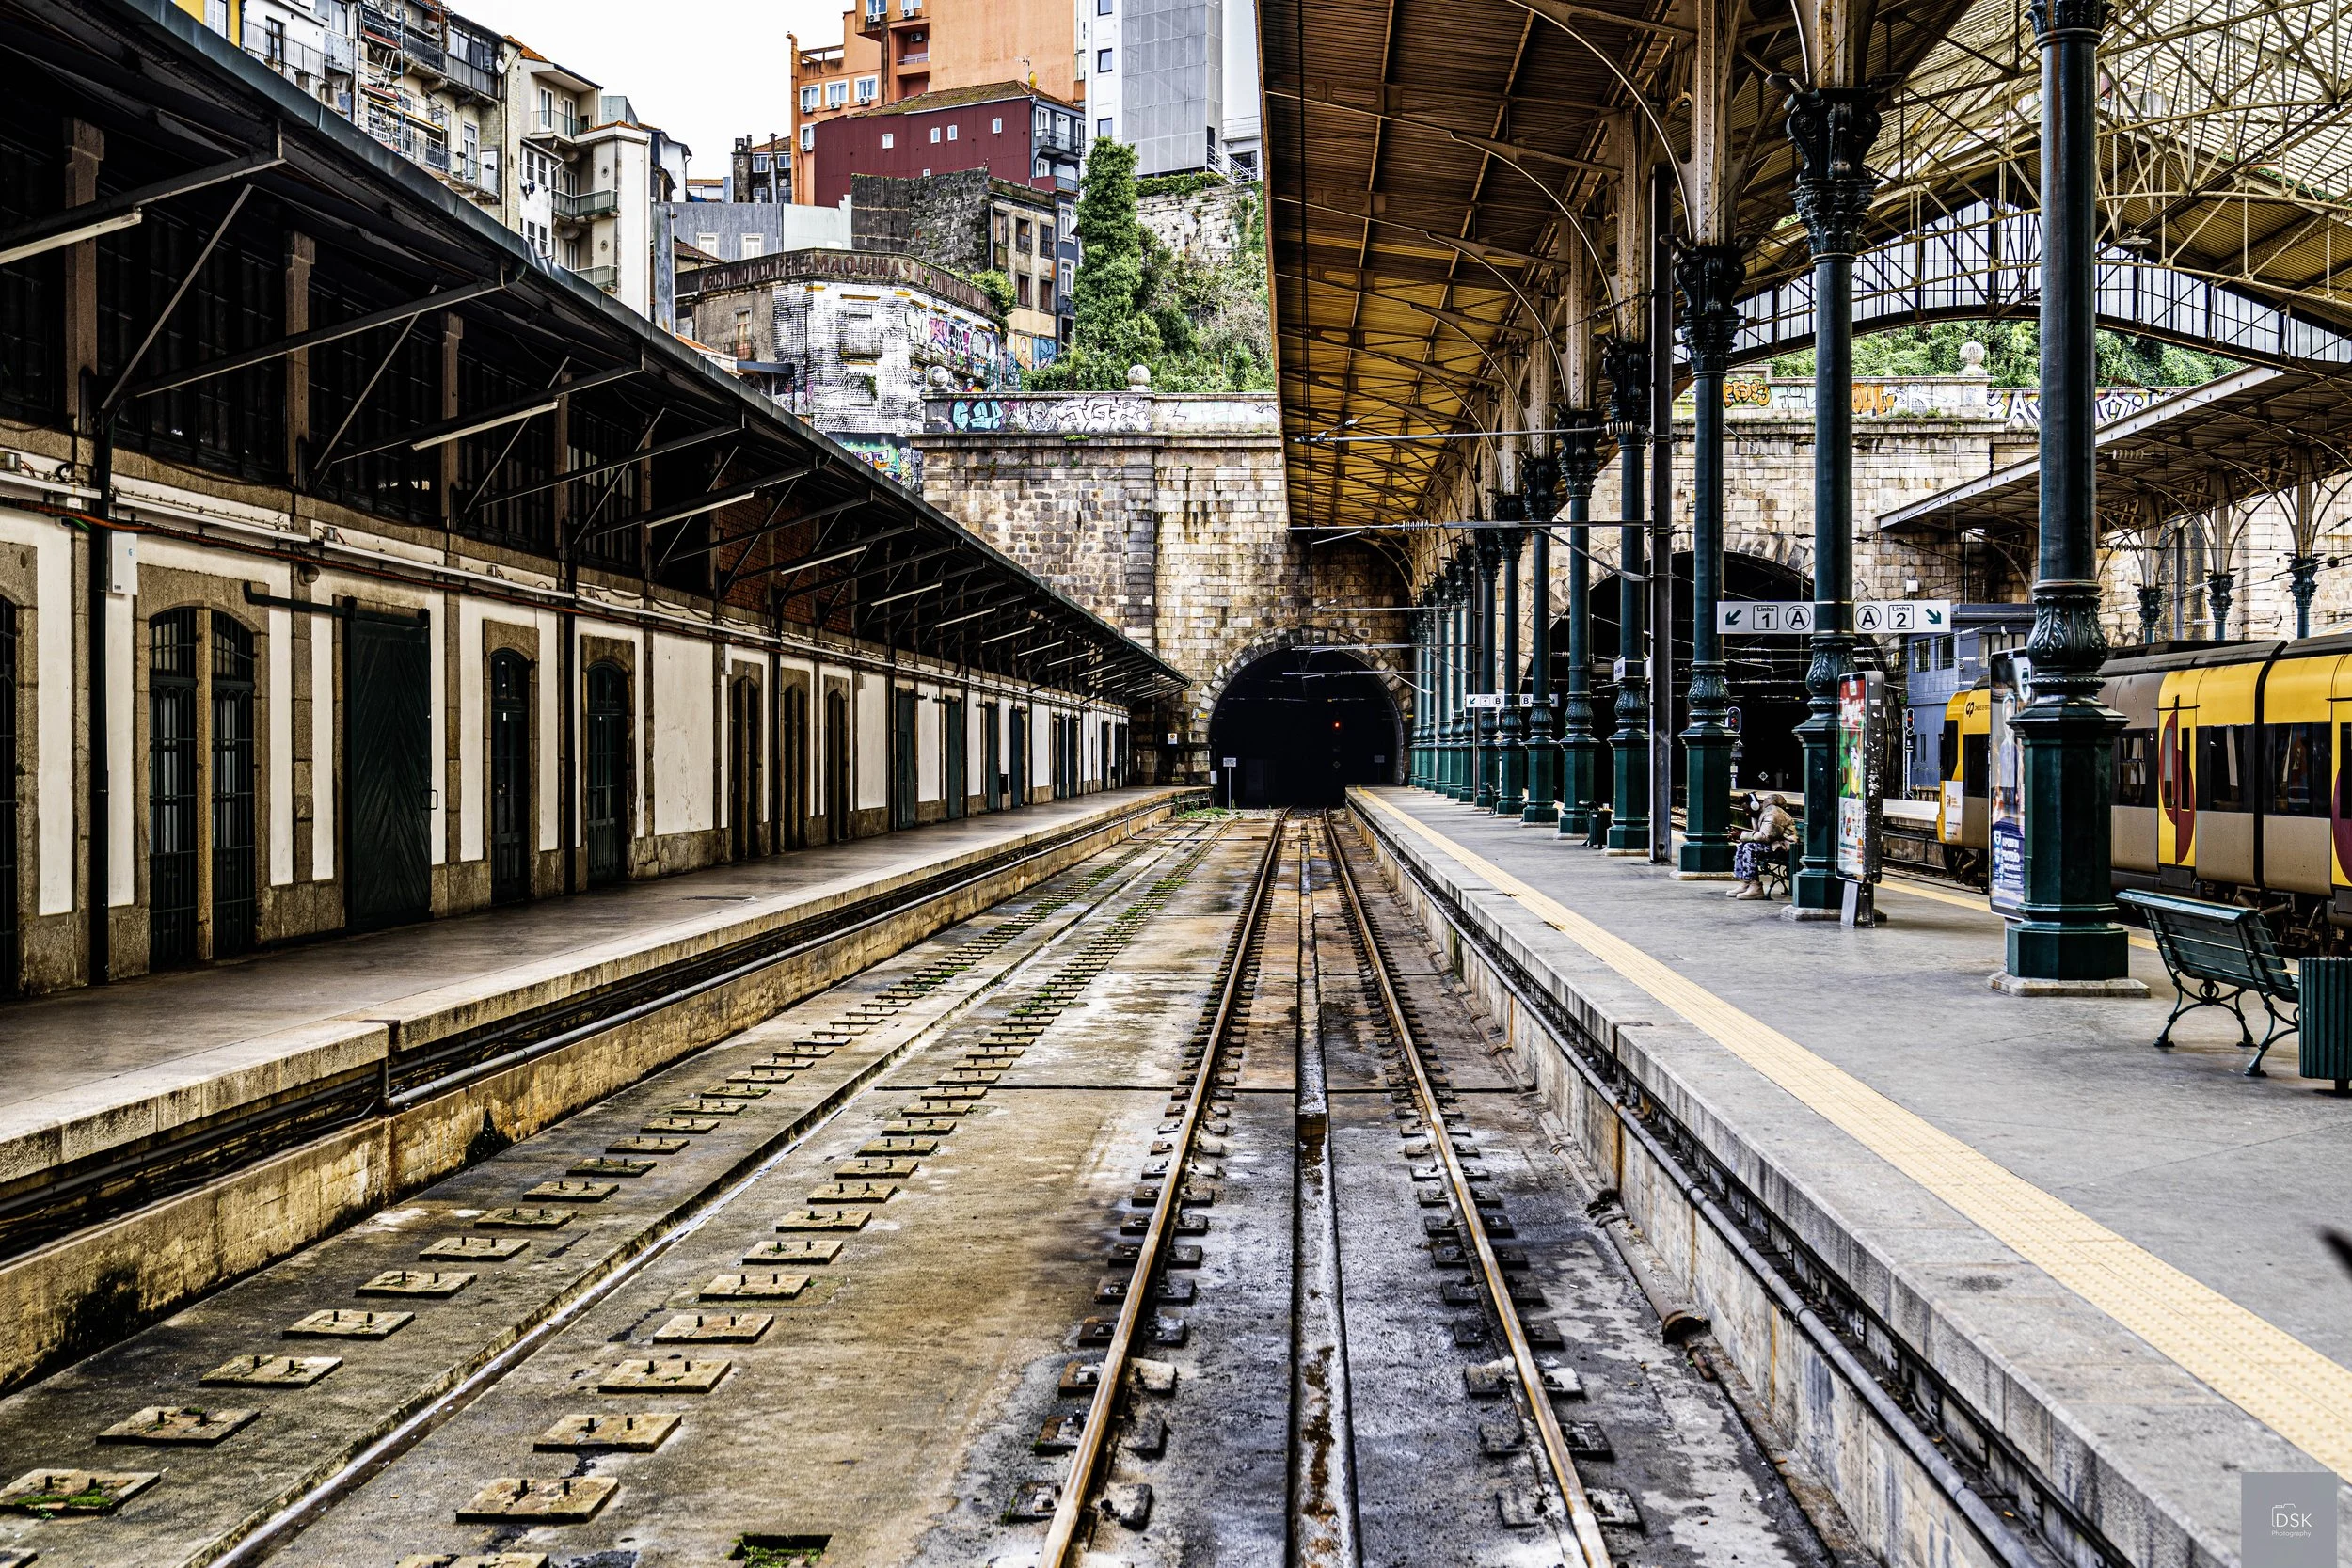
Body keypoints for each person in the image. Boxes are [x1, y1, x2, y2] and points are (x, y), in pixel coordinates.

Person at [1728, 792, 1795, 901]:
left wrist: (1742, 835)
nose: (1746, 814)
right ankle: (1746, 882)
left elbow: (1765, 836)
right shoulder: (1757, 814)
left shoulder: (1773, 813)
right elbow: (1757, 836)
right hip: (1774, 845)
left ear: (1755, 805)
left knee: (1749, 847)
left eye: (1747, 810)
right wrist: (1741, 837)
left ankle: (1755, 887)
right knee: (1742, 846)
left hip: (1783, 847)